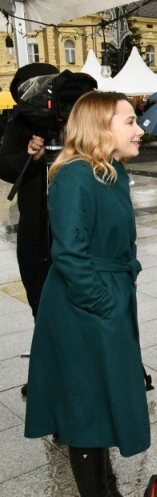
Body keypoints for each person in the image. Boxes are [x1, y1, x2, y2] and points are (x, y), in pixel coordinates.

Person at [24, 91, 150, 497]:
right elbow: (69, 253)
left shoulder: (111, 171)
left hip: (104, 298)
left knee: (99, 397)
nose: (140, 129)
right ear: (99, 126)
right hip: (84, 306)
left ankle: (107, 487)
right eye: (130, 121)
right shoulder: (76, 174)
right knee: (86, 404)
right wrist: (103, 302)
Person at [0, 62, 60, 397]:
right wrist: (30, 155)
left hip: (73, 227)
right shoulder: (20, 125)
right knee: (41, 302)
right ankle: (47, 372)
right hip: (36, 229)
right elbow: (6, 167)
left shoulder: (74, 118)